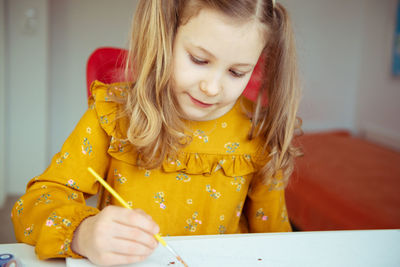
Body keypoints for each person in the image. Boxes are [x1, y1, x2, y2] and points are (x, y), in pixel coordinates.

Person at [12, 0, 302, 266]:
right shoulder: (112, 117)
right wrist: (83, 233)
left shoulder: (259, 134)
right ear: (164, 37)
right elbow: (31, 208)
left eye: (237, 72)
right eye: (199, 60)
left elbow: (275, 241)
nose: (212, 88)